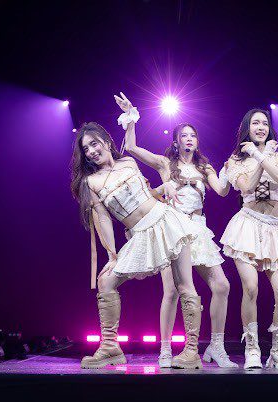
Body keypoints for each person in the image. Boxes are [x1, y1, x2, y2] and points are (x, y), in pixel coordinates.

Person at [115, 94, 236, 368]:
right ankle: (166, 349)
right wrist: (131, 117)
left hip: (198, 228)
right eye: (184, 136)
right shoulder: (165, 164)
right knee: (171, 291)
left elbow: (221, 191)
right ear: (176, 141)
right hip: (173, 229)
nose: (189, 139)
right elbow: (131, 147)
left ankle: (216, 346)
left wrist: (229, 171)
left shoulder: (204, 167)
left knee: (222, 285)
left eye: (193, 136)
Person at [71, 116, 202, 369]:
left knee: (184, 285)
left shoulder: (128, 162)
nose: (92, 151)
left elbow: (146, 193)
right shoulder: (91, 181)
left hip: (166, 221)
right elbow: (103, 219)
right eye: (86, 149)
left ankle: (191, 352)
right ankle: (110, 348)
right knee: (106, 281)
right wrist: (112, 255)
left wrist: (164, 187)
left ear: (106, 141)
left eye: (94, 144)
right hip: (140, 233)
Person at [221, 109, 278, 369]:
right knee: (251, 288)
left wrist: (262, 156)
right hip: (247, 225)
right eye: (255, 123)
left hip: (274, 228)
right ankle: (252, 349)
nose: (261, 127)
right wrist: (256, 155)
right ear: (247, 127)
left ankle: (277, 350)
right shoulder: (236, 160)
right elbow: (246, 187)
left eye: (264, 123)